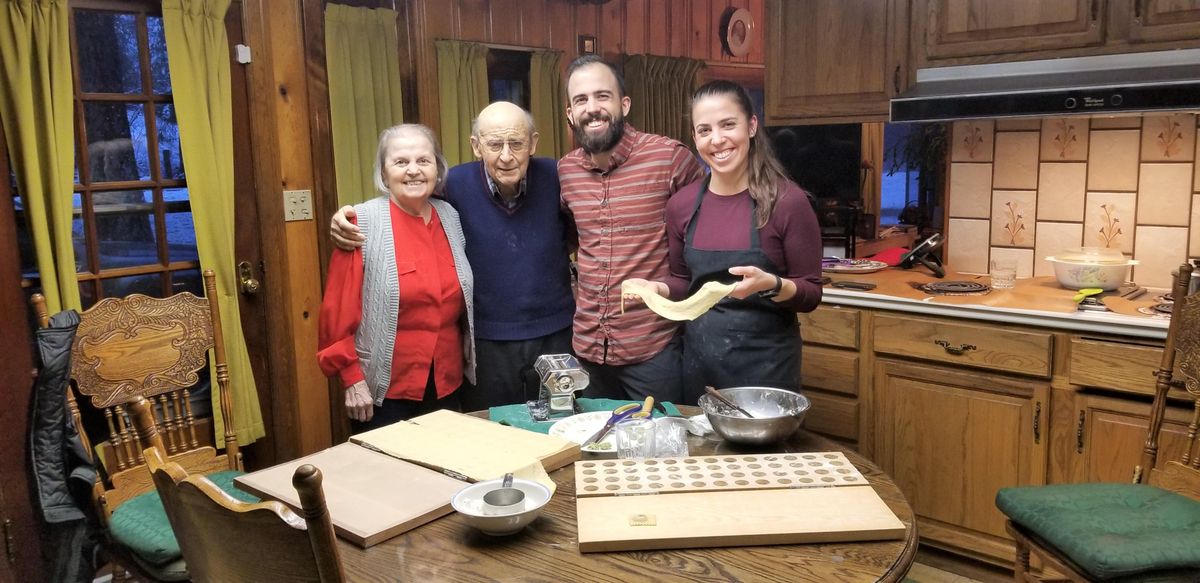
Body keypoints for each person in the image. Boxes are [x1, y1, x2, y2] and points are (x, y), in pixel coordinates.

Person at [329, 103, 574, 410]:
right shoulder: (452, 189)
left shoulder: (559, 177)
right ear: (476, 146)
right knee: (490, 439)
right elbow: (403, 200)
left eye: (517, 143)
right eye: (495, 144)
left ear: (533, 143)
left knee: (559, 427)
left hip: (550, 338)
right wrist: (343, 217)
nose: (507, 155)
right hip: (480, 349)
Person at [623, 80, 823, 404]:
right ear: (694, 137)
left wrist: (770, 284)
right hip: (700, 368)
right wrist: (655, 289)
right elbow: (682, 281)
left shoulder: (788, 202)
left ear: (752, 126)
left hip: (767, 371)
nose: (717, 140)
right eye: (704, 130)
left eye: (728, 125)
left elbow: (811, 292)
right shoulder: (682, 206)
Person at [558, 55, 706, 404]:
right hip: (588, 350)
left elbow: (703, 244)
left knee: (660, 452)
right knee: (594, 451)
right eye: (581, 100)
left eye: (602, 96)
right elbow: (574, 240)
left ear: (624, 104)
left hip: (653, 348)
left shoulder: (670, 159)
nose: (592, 108)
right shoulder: (566, 172)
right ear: (570, 113)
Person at [317, 124, 475, 432]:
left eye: (423, 161)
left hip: (447, 382)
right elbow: (337, 312)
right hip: (384, 393)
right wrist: (351, 379)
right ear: (383, 172)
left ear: (438, 169)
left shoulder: (450, 217)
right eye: (401, 162)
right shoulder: (360, 223)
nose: (413, 170)